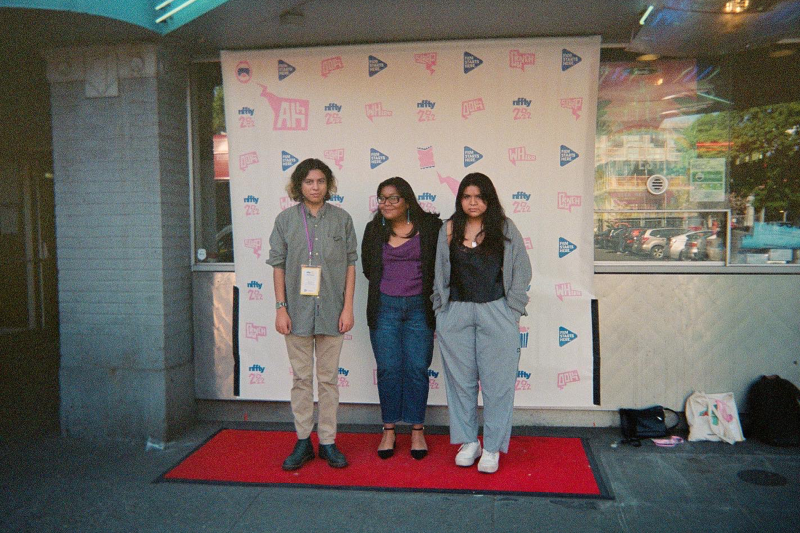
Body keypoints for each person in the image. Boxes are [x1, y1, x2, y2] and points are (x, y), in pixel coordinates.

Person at [432, 172, 532, 474]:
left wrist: (511, 309)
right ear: (459, 199)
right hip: (456, 313)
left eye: (478, 196)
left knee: (497, 384)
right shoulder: (448, 229)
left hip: (496, 311)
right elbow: (439, 273)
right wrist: (442, 310)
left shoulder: (505, 229)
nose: (472, 202)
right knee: (460, 383)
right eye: (466, 196)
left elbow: (522, 271)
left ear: (488, 199)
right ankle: (468, 441)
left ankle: (491, 448)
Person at [267, 158, 357, 471]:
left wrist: (348, 307)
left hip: (333, 312)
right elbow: (278, 266)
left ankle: (328, 441)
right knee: (302, 379)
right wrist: (281, 308)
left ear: (328, 184)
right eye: (308, 182)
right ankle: (304, 440)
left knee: (328, 380)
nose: (315, 187)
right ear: (299, 186)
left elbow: (350, 266)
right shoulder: (285, 220)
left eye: (320, 181)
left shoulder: (342, 219)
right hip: (296, 313)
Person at [362, 177, 442, 460]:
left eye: (394, 198)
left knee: (418, 368)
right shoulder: (374, 230)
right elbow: (369, 269)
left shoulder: (431, 227)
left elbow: (441, 264)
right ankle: (389, 429)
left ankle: (418, 430)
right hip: (385, 307)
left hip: (420, 308)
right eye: (382, 198)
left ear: (407, 200)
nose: (386, 203)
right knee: (388, 369)